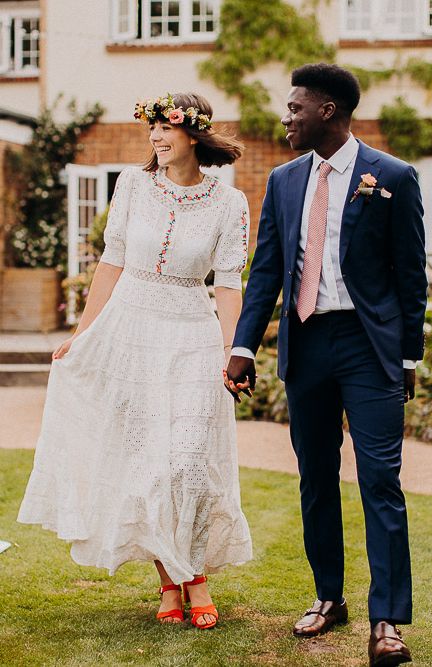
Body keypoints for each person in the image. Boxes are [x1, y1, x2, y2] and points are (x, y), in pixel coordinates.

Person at [18, 92, 253, 629]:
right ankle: (173, 582)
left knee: (188, 461)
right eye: (152, 130)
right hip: (131, 329)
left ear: (193, 134)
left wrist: (228, 349)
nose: (156, 139)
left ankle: (193, 573)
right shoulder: (131, 184)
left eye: (165, 130)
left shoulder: (228, 202)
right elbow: (112, 262)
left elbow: (228, 283)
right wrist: (82, 335)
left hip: (192, 332)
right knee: (147, 460)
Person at [225, 63, 427, 666]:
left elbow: (411, 277)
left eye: (295, 108)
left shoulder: (392, 176)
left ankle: (386, 620)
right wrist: (242, 346)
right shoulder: (284, 181)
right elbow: (265, 271)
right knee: (316, 477)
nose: (286, 118)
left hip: (370, 348)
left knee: (380, 482)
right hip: (307, 344)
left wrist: (409, 354)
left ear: (329, 111)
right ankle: (328, 597)